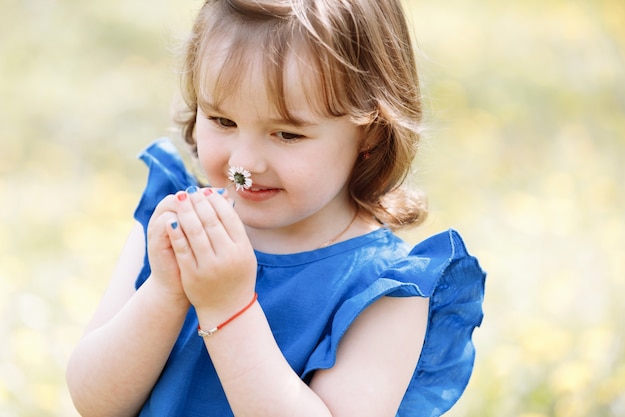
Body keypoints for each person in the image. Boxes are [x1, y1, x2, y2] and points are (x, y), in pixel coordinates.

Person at [66, 0, 486, 416]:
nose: (244, 164)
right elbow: (94, 401)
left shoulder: (384, 290)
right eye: (222, 121)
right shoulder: (177, 224)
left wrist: (229, 309)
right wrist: (164, 292)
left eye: (286, 134)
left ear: (370, 134)